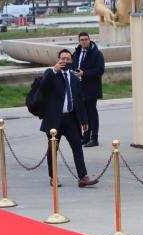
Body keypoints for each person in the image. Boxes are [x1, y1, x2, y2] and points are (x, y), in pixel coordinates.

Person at [39, 48, 99, 188]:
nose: (65, 61)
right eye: (62, 59)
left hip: (71, 119)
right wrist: (54, 70)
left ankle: (83, 177)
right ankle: (53, 177)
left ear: (71, 61)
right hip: (55, 119)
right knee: (53, 149)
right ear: (58, 60)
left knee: (77, 147)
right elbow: (43, 87)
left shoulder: (74, 77)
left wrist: (84, 120)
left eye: (68, 59)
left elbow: (79, 100)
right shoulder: (51, 73)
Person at [72, 32, 105, 147]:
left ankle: (94, 138)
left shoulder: (97, 54)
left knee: (91, 112)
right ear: (79, 41)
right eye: (82, 39)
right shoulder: (76, 53)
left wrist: (84, 73)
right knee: (83, 114)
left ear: (90, 40)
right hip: (79, 88)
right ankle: (85, 137)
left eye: (86, 39)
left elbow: (100, 70)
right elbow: (72, 66)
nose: (84, 41)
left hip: (91, 88)